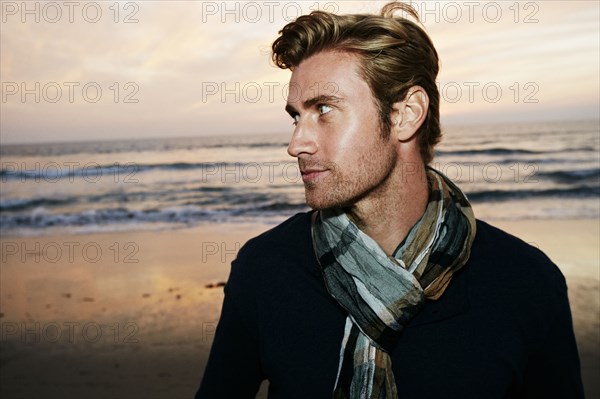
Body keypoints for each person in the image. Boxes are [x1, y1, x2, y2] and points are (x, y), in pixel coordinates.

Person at [195, 2, 584, 398]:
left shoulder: (524, 283)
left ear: (405, 114)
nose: (296, 144)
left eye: (324, 109)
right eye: (296, 116)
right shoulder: (265, 270)